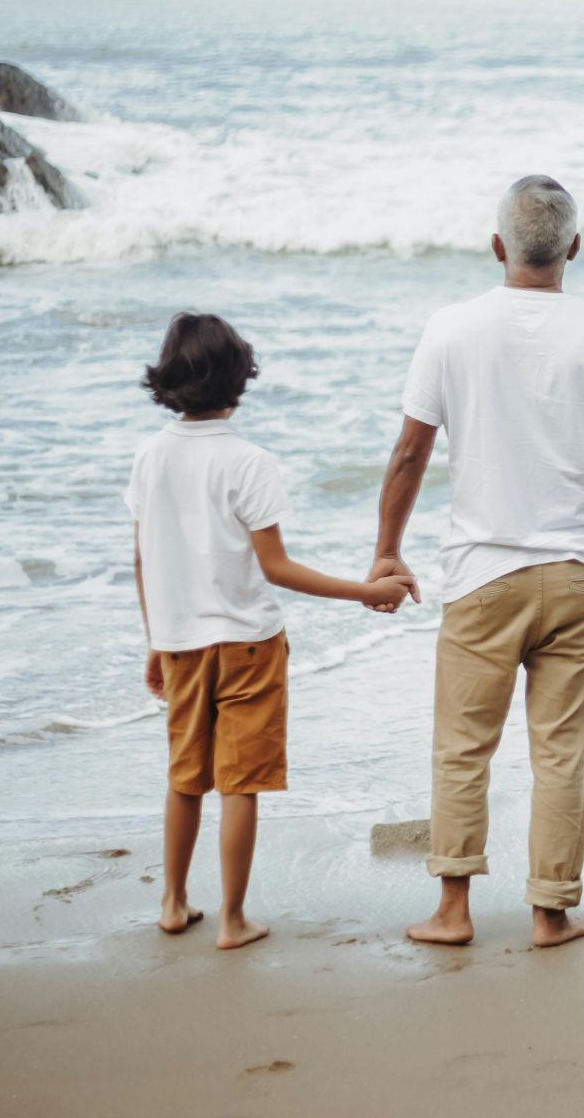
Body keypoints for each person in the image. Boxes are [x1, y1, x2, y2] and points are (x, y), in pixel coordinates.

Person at [369, 175, 584, 950]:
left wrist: (387, 551)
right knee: (559, 752)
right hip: (576, 575)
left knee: (464, 747)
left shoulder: (451, 329)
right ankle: (551, 911)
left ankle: (454, 911)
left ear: (498, 246)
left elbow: (408, 452)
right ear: (573, 248)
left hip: (482, 574)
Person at [128, 313, 415, 950]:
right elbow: (275, 567)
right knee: (240, 783)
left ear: (170, 378)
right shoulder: (249, 461)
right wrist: (366, 591)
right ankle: (232, 919)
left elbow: (144, 557)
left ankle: (173, 904)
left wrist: (155, 638)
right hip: (247, 643)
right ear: (239, 378)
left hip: (179, 642)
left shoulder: (149, 455)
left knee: (184, 777)